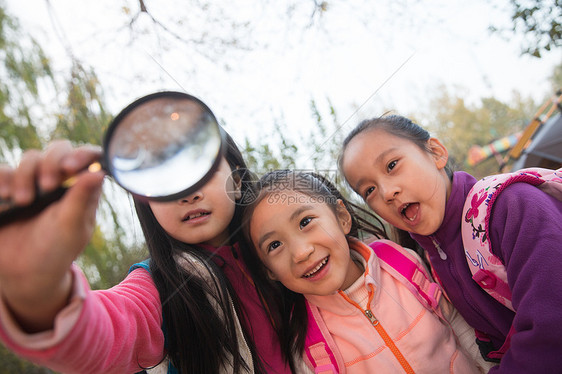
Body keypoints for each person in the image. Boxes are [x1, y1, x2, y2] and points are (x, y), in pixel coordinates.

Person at [0, 125, 301, 371]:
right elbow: (106, 335)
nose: (187, 194)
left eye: (200, 170)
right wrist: (39, 292)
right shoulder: (159, 286)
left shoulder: (293, 253)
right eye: (164, 182)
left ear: (236, 181)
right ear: (146, 203)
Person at [338, 114, 562, 373]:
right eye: (369, 190)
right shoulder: (433, 263)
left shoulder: (512, 205)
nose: (387, 192)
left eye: (391, 165)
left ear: (435, 152)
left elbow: (551, 325)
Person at [240, 169, 490, 373]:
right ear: (268, 271)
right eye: (275, 245)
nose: (301, 252)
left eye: (305, 222)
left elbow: (464, 331)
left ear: (341, 217)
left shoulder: (400, 264)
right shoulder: (307, 343)